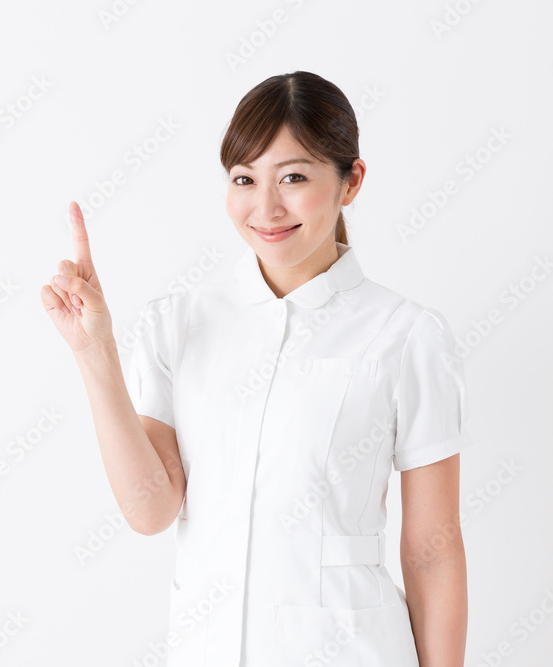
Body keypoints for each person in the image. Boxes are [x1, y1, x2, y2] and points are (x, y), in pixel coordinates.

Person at [40, 71, 473, 666]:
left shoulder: (405, 336)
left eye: (294, 177)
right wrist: (95, 353)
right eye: (245, 179)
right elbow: (151, 509)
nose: (265, 207)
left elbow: (432, 548)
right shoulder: (180, 323)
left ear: (351, 181)